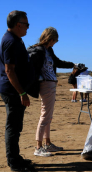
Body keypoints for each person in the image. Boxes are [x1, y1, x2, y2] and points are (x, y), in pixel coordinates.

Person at [27, 27, 75, 157]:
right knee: (45, 115)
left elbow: (58, 62)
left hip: (51, 84)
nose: (55, 43)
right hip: (46, 85)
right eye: (55, 40)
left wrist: (73, 65)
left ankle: (47, 143)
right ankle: (38, 147)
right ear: (50, 38)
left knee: (48, 116)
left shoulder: (48, 50)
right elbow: (30, 70)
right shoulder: (38, 51)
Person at [0, 10, 33, 172]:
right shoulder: (10, 41)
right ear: (18, 24)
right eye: (26, 24)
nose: (28, 27)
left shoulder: (16, 40)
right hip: (12, 91)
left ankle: (16, 157)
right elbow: (9, 70)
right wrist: (22, 93)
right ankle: (13, 162)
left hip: (15, 90)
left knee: (16, 126)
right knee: (13, 126)